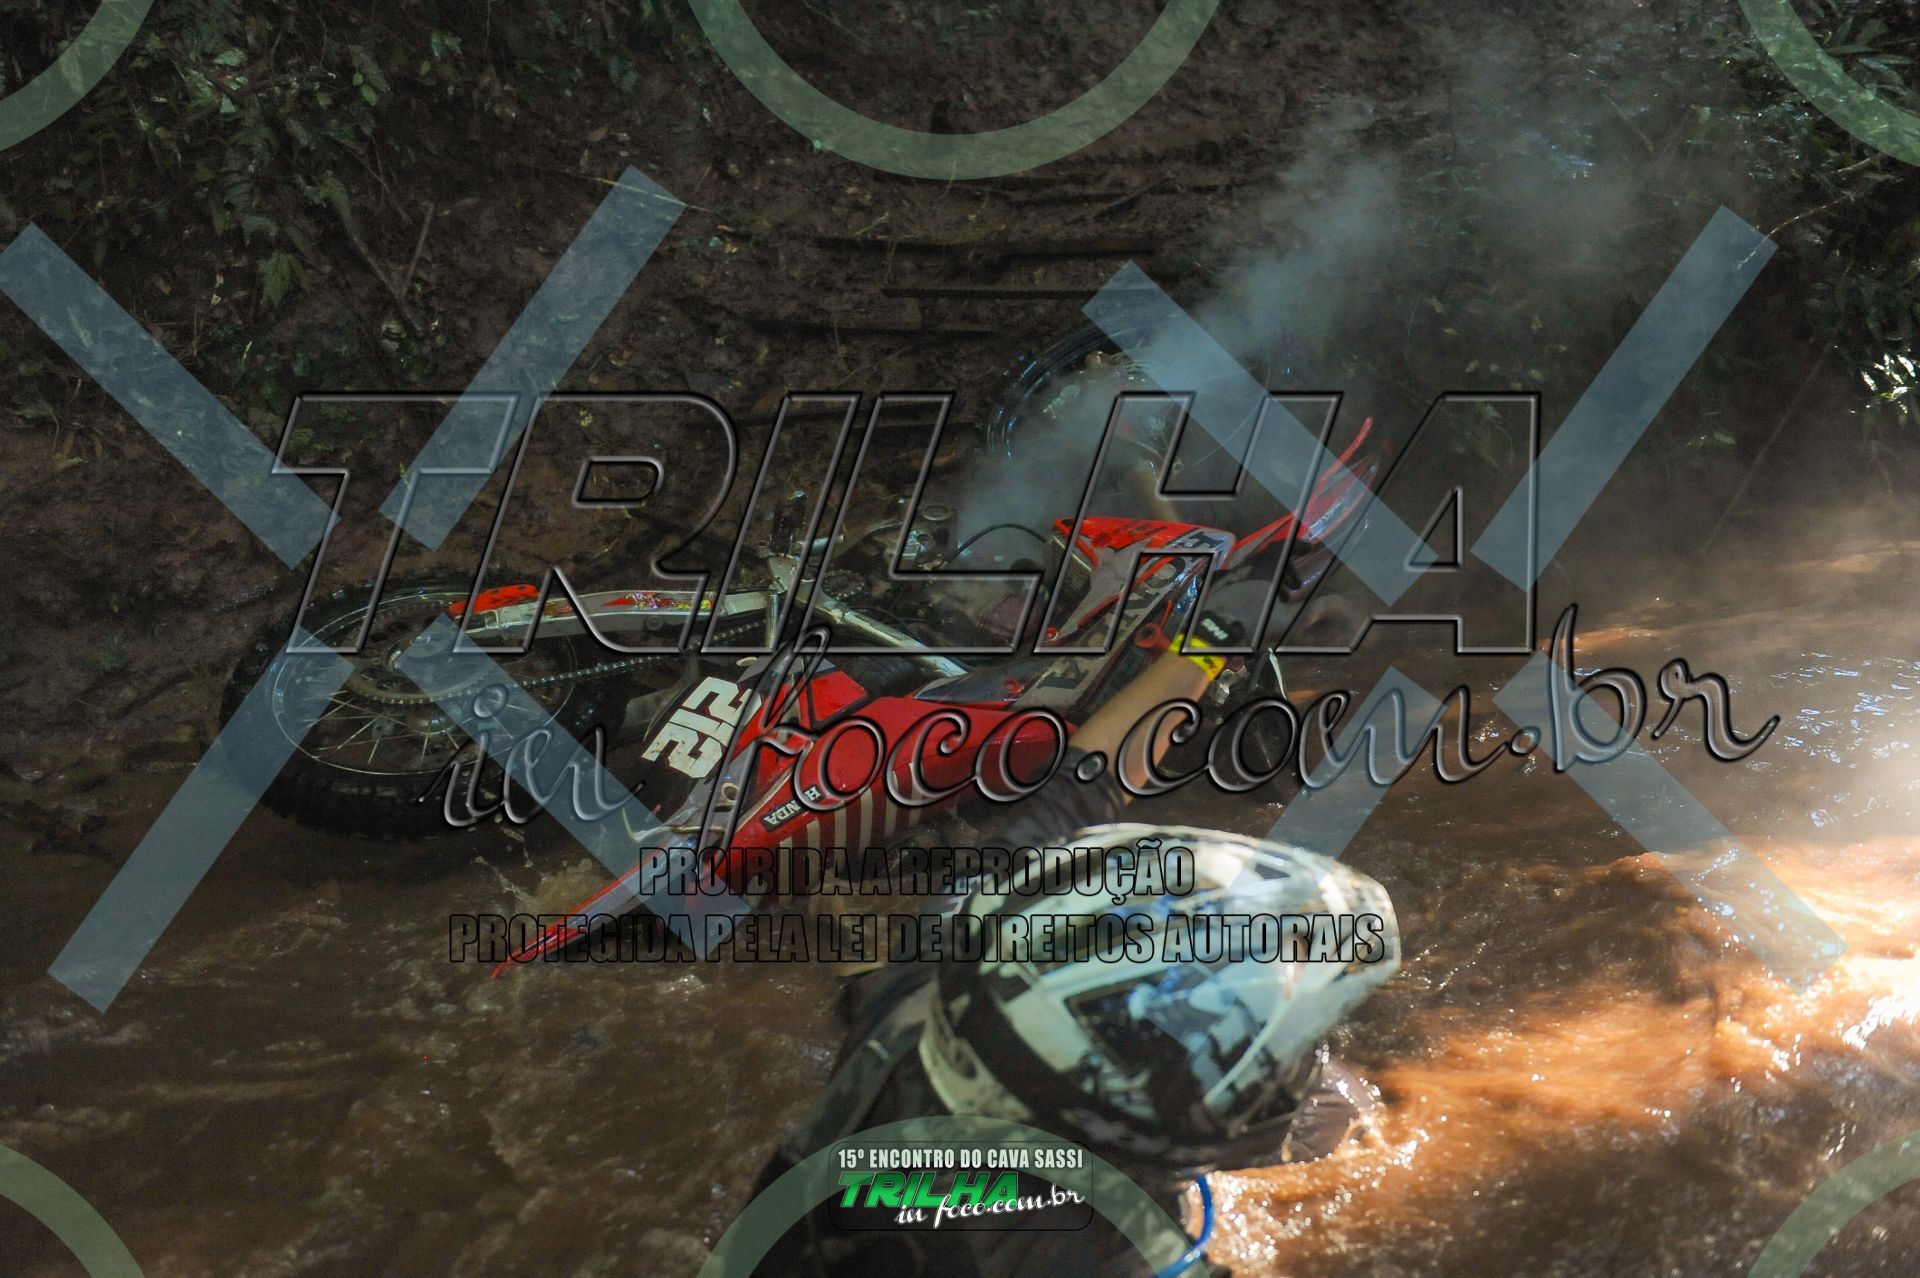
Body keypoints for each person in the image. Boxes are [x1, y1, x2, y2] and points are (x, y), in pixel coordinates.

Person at [747, 820, 1400, 1278]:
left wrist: (858, 960)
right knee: (1355, 1126)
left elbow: (1070, 787)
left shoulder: (936, 992)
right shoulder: (1101, 1254)